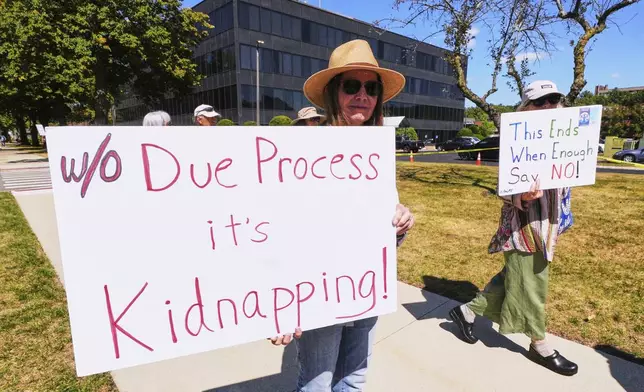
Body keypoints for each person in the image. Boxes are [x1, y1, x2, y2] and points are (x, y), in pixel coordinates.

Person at [270, 39, 414, 392]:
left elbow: (378, 219)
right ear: (335, 92)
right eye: (352, 85)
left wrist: (400, 221)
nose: (362, 95)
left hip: (366, 284)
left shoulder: (377, 151)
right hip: (318, 288)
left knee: (354, 379)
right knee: (317, 384)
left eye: (371, 87)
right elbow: (279, 228)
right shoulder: (302, 153)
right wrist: (280, 302)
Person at [449, 80, 578, 377]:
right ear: (525, 108)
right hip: (524, 227)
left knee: (512, 277)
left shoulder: (566, 138)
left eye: (554, 100)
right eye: (540, 102)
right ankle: (539, 344)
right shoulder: (518, 140)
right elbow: (503, 187)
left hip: (549, 226)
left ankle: (466, 312)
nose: (548, 106)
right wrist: (521, 195)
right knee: (533, 286)